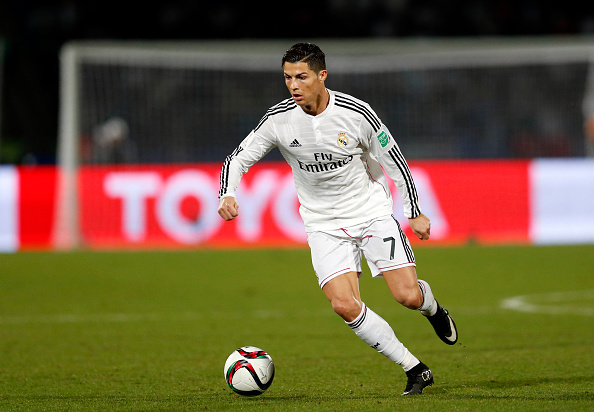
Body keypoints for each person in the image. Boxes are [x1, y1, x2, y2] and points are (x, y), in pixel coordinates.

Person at [218, 42, 458, 396]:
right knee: (344, 305)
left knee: (407, 296)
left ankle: (432, 308)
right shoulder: (278, 119)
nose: (293, 85)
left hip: (371, 213)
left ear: (322, 76)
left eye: (302, 77)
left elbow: (394, 160)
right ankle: (415, 368)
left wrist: (414, 211)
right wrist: (227, 193)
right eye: (287, 77)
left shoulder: (356, 114)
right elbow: (237, 158)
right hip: (323, 224)